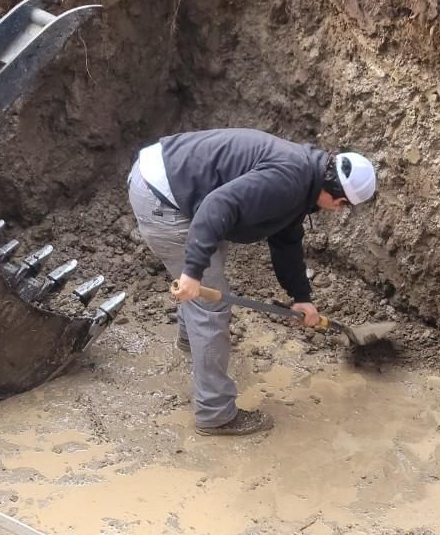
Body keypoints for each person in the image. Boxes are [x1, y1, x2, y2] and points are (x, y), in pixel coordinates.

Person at [127, 128, 378, 436]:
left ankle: (190, 341)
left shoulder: (304, 177)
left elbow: (286, 241)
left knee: (207, 266)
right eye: (342, 206)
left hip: (175, 178)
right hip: (163, 196)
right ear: (336, 197)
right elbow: (216, 207)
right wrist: (191, 272)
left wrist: (301, 296)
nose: (338, 210)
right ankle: (215, 414)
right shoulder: (288, 181)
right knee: (211, 307)